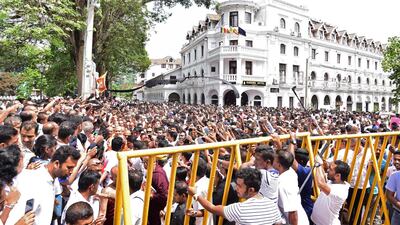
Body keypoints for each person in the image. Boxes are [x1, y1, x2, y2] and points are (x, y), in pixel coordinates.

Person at [5, 145, 81, 225]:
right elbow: (19, 217)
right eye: (69, 168)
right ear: (56, 164)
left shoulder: (54, 181)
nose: (71, 172)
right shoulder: (35, 182)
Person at [187, 167, 282, 225]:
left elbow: (212, 208)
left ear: (251, 190)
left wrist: (196, 195)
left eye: (240, 186)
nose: (236, 188)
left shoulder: (241, 209)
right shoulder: (272, 205)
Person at [273, 150, 309, 225]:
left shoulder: (283, 184)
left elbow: (293, 211)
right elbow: (288, 157)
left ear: (279, 165)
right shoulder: (290, 171)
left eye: (274, 160)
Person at [311, 160, 350, 225]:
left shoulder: (341, 191)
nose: (328, 170)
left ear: (337, 176)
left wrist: (318, 164)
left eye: (330, 169)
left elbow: (320, 183)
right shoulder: (333, 181)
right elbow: (323, 177)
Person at [386, 151, 400, 225]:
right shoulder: (394, 175)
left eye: (399, 160)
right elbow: (389, 195)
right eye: (395, 159)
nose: (397, 162)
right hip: (398, 214)